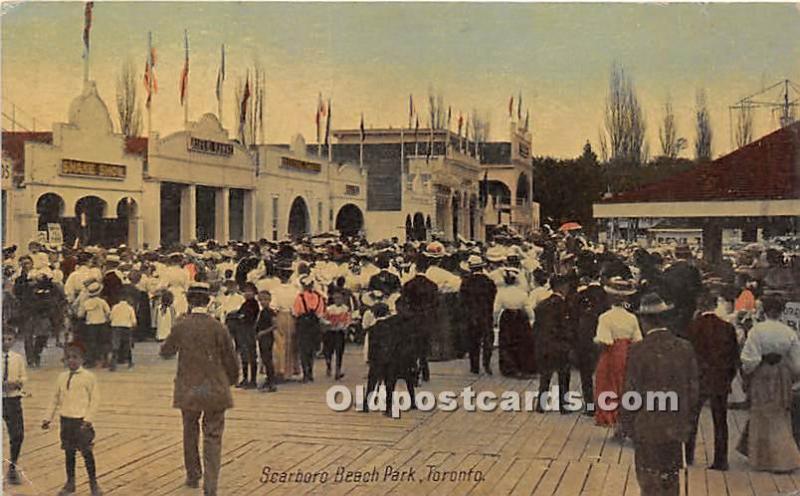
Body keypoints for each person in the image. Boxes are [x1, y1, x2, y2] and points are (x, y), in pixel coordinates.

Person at [160, 282, 240, 496]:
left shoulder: (181, 325)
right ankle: (211, 486)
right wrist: (232, 379)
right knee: (213, 435)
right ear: (208, 301)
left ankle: (193, 474)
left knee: (190, 429)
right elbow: (231, 358)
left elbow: (166, 351)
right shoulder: (218, 326)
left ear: (189, 301)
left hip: (189, 388)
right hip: (214, 389)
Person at [621, 293, 698, 496]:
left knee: (649, 478)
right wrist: (687, 421)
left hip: (647, 425)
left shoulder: (638, 350)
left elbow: (631, 393)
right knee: (670, 477)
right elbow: (693, 390)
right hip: (675, 424)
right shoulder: (684, 347)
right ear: (666, 318)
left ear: (644, 321)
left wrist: (628, 424)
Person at [737, 296, 800, 472]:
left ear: (765, 310)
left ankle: (762, 458)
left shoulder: (757, 330)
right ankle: (781, 457)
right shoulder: (789, 332)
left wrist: (748, 371)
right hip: (781, 373)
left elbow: (749, 359)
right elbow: (796, 362)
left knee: (760, 413)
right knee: (779, 412)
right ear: (781, 311)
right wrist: (793, 376)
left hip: (762, 372)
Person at [685, 292, 739, 471]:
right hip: (720, 378)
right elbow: (734, 357)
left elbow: (689, 354)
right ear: (716, 305)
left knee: (691, 418)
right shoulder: (727, 327)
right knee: (720, 421)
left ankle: (688, 455)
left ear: (699, 305)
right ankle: (720, 460)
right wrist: (728, 377)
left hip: (698, 378)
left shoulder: (693, 327)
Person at [42, 342, 103, 496]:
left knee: (86, 452)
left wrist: (88, 419)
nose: (71, 361)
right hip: (66, 420)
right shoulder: (61, 377)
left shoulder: (89, 377)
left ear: (82, 359)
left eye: (75, 357)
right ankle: (70, 482)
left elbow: (94, 400)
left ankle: (93, 483)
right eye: (68, 358)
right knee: (69, 453)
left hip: (81, 421)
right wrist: (47, 417)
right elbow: (55, 399)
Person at [593, 277, 641, 428]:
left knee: (607, 384)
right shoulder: (632, 317)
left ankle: (608, 416)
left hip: (610, 353)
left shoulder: (605, 317)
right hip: (627, 352)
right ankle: (624, 417)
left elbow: (604, 339)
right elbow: (638, 339)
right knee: (624, 384)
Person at [570, 275, 610, 417]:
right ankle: (605, 404)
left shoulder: (579, 296)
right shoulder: (607, 295)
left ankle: (590, 405)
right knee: (604, 374)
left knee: (586, 375)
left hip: (584, 339)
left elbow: (573, 319)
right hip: (604, 339)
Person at [534, 275, 573, 413]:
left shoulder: (542, 305)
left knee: (545, 376)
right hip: (560, 346)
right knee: (563, 377)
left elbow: (536, 327)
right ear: (561, 287)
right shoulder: (565, 306)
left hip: (545, 345)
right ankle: (563, 405)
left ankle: (541, 404)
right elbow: (567, 327)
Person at [459, 255, 497, 375]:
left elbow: (462, 301)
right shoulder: (489, 282)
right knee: (487, 340)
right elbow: (493, 298)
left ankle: (474, 366)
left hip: (471, 316)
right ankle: (487, 364)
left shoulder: (466, 282)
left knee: (473, 341)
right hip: (486, 314)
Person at [494, 269, 535, 377]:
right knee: (522, 342)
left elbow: (496, 309)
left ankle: (509, 368)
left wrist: (495, 321)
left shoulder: (501, 293)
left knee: (507, 343)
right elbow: (528, 308)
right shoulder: (522, 293)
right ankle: (523, 366)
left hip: (507, 317)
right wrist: (531, 319)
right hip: (520, 318)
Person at [3, 329, 26, 485]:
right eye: (2, 339)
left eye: (9, 339)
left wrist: (17, 383)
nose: (5, 342)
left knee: (17, 434)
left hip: (12, 399)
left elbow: (23, 376)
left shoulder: (17, 358)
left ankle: (12, 466)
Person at [292, 276, 325, 382]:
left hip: (303, 324)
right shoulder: (319, 297)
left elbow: (296, 312)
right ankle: (310, 372)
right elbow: (321, 313)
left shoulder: (299, 297)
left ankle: (305, 373)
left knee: (303, 349)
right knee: (312, 349)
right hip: (314, 324)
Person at [77, 281, 111, 368]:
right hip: (102, 324)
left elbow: (80, 314)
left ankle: (90, 361)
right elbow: (108, 312)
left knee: (91, 343)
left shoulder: (86, 303)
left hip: (90, 325)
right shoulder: (102, 302)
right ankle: (105, 360)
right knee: (103, 343)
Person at [235, 282, 260, 389]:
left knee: (251, 355)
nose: (247, 293)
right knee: (244, 355)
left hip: (250, 330)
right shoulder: (245, 303)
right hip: (243, 330)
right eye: (245, 291)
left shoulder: (254, 304)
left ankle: (253, 380)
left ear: (254, 293)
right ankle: (245, 378)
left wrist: (242, 316)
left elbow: (251, 317)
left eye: (250, 291)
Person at [323, 291, 350, 380]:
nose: (338, 300)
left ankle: (338, 370)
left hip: (340, 332)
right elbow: (324, 319)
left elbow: (348, 320)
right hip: (331, 332)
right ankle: (329, 365)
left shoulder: (345, 309)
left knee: (339, 352)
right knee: (329, 351)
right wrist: (330, 323)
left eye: (340, 298)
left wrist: (345, 326)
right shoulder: (329, 309)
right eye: (336, 298)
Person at [255, 290, 278, 392]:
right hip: (262, 337)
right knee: (264, 359)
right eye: (261, 300)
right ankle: (269, 380)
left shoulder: (270, 312)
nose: (263, 302)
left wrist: (263, 332)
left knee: (268, 359)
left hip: (267, 337)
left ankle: (271, 382)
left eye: (265, 300)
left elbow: (275, 326)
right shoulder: (261, 312)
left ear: (269, 300)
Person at [109, 291, 137, 371]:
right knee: (127, 346)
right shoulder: (130, 308)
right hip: (126, 328)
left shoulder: (114, 307)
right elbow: (134, 321)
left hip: (116, 327)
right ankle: (130, 362)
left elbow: (110, 317)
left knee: (115, 346)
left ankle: (113, 364)